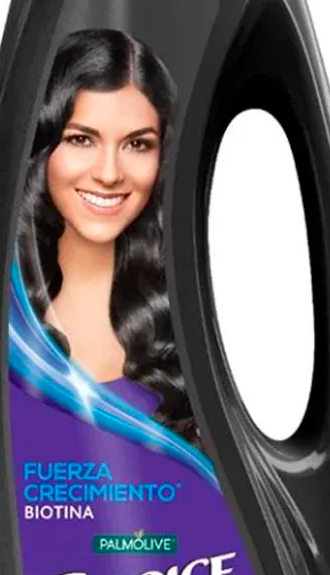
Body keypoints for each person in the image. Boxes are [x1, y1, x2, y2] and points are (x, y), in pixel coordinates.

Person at [17, 28, 199, 447]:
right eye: (81, 139)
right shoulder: (2, 309)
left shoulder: (191, 316)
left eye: (137, 144)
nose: (109, 173)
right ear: (44, 144)